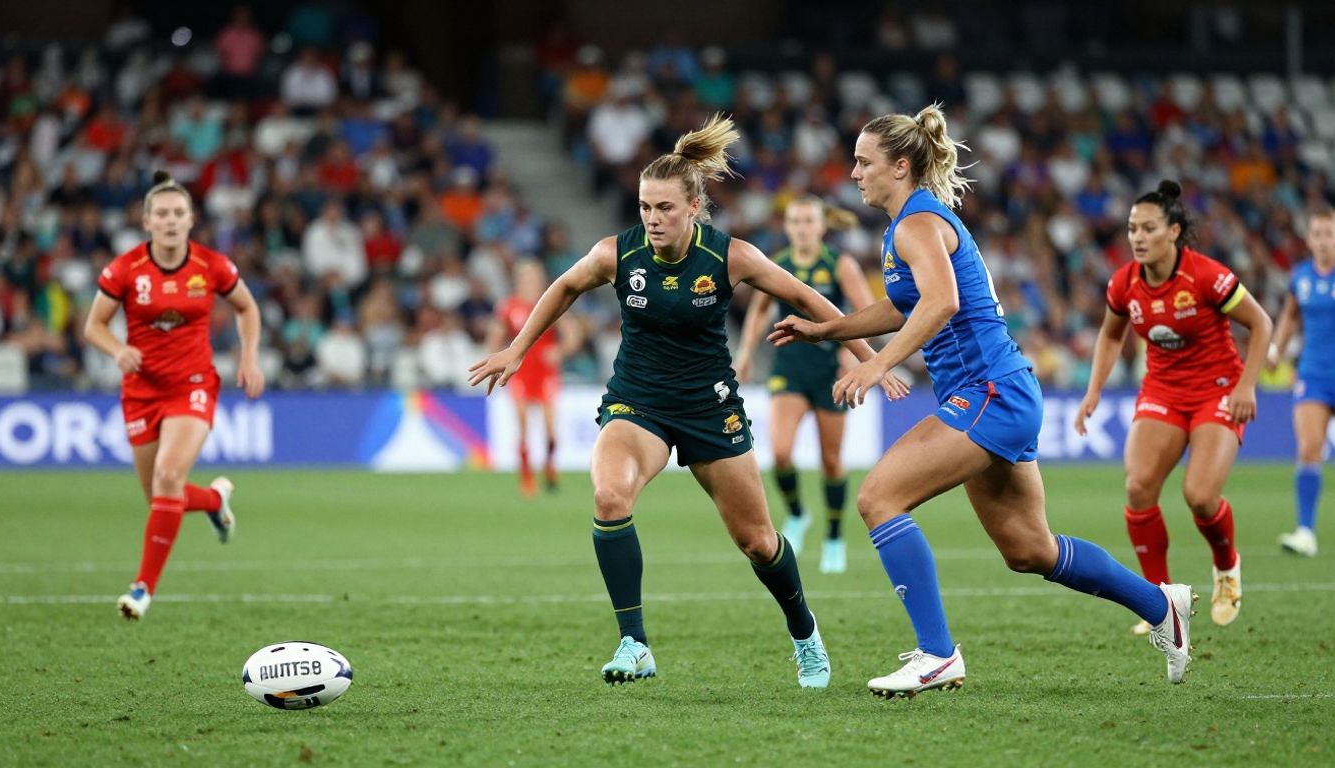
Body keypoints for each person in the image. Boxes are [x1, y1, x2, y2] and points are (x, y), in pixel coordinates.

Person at [771, 104, 1197, 697]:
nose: (853, 173)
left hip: (988, 393)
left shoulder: (918, 222)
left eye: (864, 163)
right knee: (1030, 550)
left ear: (899, 166)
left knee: (878, 497)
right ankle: (1161, 605)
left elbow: (941, 302)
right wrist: (828, 331)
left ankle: (937, 654)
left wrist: (876, 365)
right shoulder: (912, 224)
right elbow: (901, 306)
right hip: (1002, 392)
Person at [469, 115, 880, 688]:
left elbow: (807, 297)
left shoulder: (729, 256)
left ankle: (805, 632)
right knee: (610, 496)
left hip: (710, 407)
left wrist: (868, 356)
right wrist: (517, 349)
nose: (652, 219)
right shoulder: (617, 254)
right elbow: (563, 287)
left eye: (664, 208)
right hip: (638, 402)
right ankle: (634, 644)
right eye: (644, 207)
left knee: (758, 542)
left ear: (693, 206)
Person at [1076, 180, 1272, 634]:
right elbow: (1110, 334)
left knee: (1200, 497)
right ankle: (1159, 600)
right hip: (1162, 392)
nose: (1137, 238)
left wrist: (1246, 387)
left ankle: (1226, 566)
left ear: (1174, 231)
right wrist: (1094, 390)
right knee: (1138, 487)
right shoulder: (1124, 282)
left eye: (1148, 228)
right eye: (1131, 229)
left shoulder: (1207, 276)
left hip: (1217, 391)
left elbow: (1260, 324)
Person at [83, 172, 265, 620]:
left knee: (167, 476)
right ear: (146, 221)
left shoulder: (211, 266)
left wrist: (249, 357)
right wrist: (118, 349)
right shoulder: (124, 269)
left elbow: (246, 306)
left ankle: (142, 588)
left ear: (191, 220)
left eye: (178, 213)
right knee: (162, 498)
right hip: (142, 391)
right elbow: (94, 326)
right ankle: (215, 499)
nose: (169, 221)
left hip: (193, 385)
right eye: (161, 213)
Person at [735, 196, 874, 573]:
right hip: (789, 370)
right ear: (787, 226)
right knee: (779, 452)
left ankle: (833, 537)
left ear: (821, 226)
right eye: (795, 221)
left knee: (831, 461)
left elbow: (867, 313)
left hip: (831, 373)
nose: (801, 228)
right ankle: (797, 513)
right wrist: (746, 351)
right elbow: (760, 310)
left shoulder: (840, 265)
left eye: (808, 221)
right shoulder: (777, 265)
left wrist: (853, 355)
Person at [1267, 209, 1335, 557]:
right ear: (1309, 239)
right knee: (1309, 448)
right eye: (1318, 234)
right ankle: (1305, 531)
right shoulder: (1302, 277)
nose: (1324, 240)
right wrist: (1276, 348)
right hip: (1314, 373)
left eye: (1329, 233)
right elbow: (1290, 315)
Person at [485, 260, 569, 497]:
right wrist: (494, 362)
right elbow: (495, 337)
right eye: (526, 277)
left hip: (546, 372)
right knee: (522, 426)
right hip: (520, 371)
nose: (530, 281)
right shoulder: (509, 306)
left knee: (551, 431)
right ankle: (526, 477)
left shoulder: (550, 302)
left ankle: (550, 465)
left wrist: (559, 351)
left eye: (534, 277)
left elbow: (573, 333)